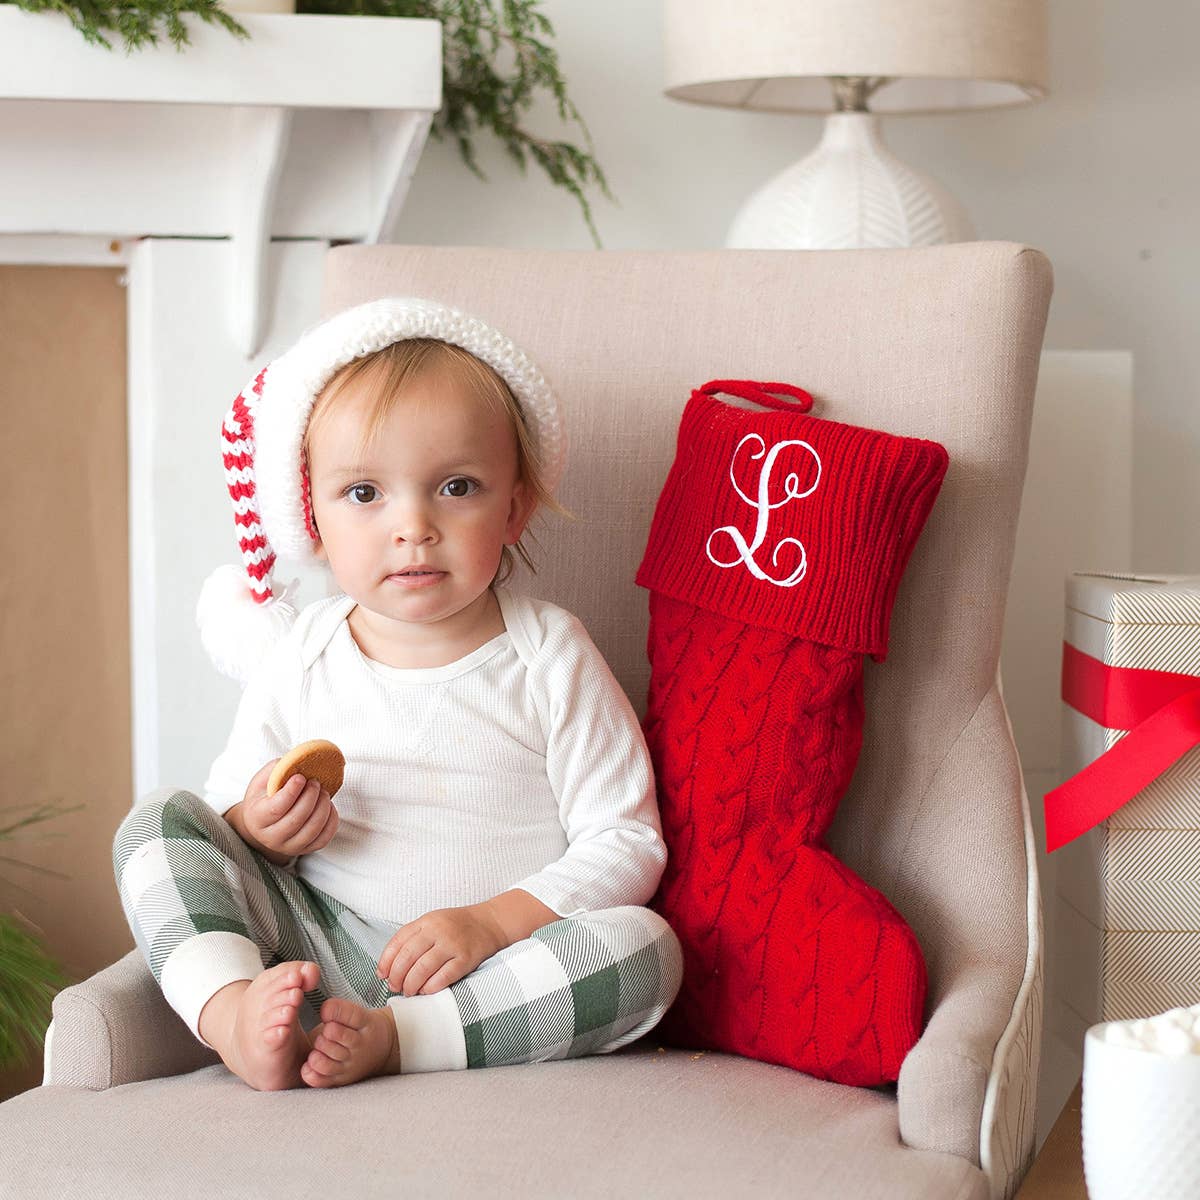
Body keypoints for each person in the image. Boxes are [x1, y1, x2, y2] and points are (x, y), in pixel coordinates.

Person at [112, 297, 683, 1092]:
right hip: (319, 946)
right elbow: (224, 831)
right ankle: (236, 1015)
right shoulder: (303, 654)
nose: (412, 525)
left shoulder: (549, 654)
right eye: (365, 494)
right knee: (159, 823)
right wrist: (262, 826)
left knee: (644, 949)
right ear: (312, 519)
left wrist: (490, 923)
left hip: (496, 970)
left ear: (514, 507)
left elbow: (625, 844)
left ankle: (402, 1039)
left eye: (455, 486)